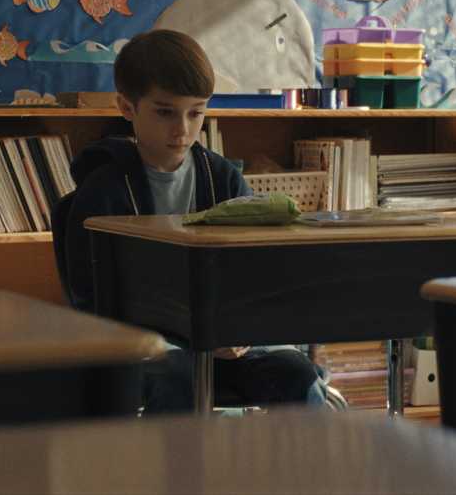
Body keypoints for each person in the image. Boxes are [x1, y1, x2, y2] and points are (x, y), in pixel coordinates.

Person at [62, 29, 338, 413]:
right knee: (176, 376)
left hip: (225, 346)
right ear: (127, 108)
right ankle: (181, 475)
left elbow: (251, 271)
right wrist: (190, 335)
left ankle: (308, 475)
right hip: (149, 348)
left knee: (296, 373)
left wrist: (240, 330)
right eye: (165, 112)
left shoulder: (222, 177)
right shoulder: (103, 191)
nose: (183, 129)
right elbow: (92, 299)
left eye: (196, 112)